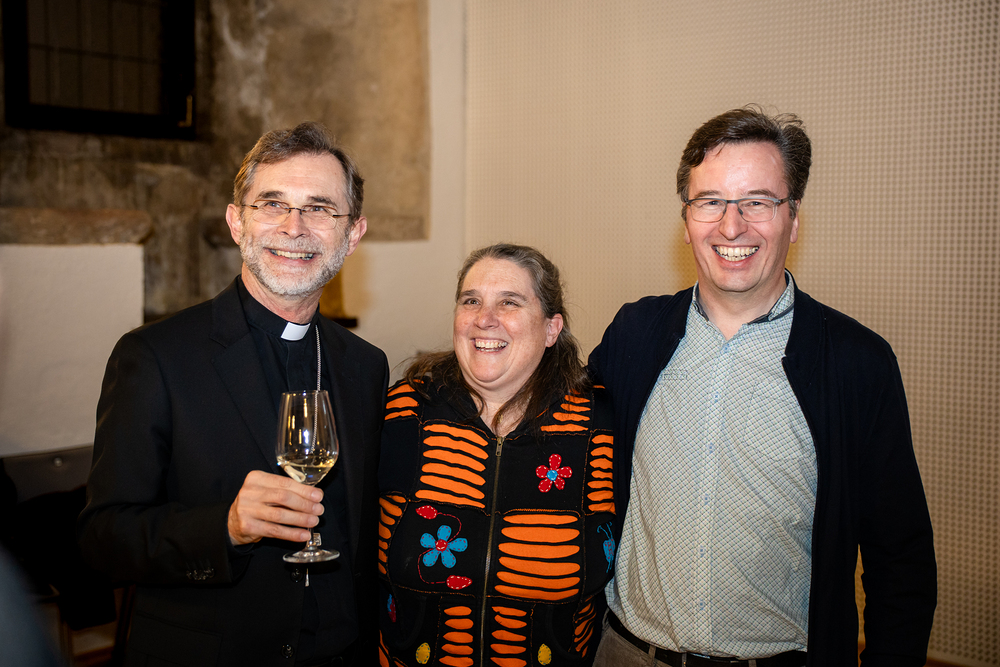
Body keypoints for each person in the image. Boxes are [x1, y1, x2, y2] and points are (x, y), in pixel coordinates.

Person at [589, 107, 936, 667]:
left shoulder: (857, 364)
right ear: (686, 220)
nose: (731, 227)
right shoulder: (634, 334)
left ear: (793, 218)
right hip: (624, 653)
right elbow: (553, 426)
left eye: (757, 202)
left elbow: (900, 559)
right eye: (710, 202)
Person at [78, 122, 388, 667]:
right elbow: (103, 539)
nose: (294, 227)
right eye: (272, 204)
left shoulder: (365, 365)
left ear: (353, 233)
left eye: (319, 209)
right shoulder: (156, 356)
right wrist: (225, 526)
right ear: (236, 222)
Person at [377, 244, 616, 666]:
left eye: (509, 302)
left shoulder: (600, 425)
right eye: (471, 301)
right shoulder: (403, 413)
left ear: (551, 329)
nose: (484, 319)